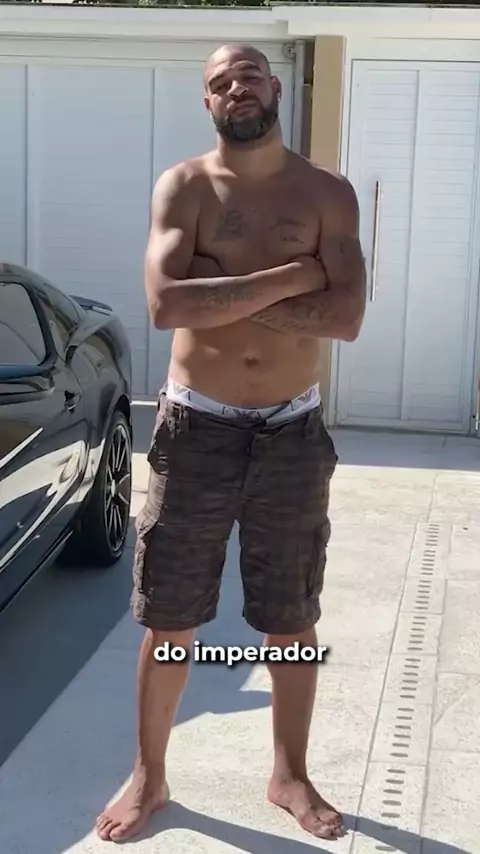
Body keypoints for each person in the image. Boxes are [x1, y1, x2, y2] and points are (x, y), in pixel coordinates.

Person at [96, 42, 366, 844]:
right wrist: (292, 276)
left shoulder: (327, 193)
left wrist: (220, 287)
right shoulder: (184, 187)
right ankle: (150, 776)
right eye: (220, 82)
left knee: (292, 616)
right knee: (169, 617)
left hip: (292, 433)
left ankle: (290, 774)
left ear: (274, 87)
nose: (236, 87)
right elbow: (167, 305)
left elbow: (346, 317)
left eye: (248, 74)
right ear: (207, 103)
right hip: (196, 430)